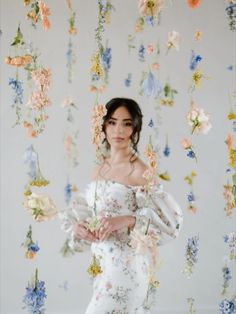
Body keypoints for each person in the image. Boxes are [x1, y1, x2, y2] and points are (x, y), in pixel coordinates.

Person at [59, 97, 183, 313]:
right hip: (103, 267)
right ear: (104, 125)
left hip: (127, 268)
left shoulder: (140, 171)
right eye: (112, 122)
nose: (118, 130)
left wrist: (126, 220)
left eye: (127, 123)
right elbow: (93, 213)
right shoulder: (100, 169)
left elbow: (169, 222)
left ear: (135, 129)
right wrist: (80, 227)